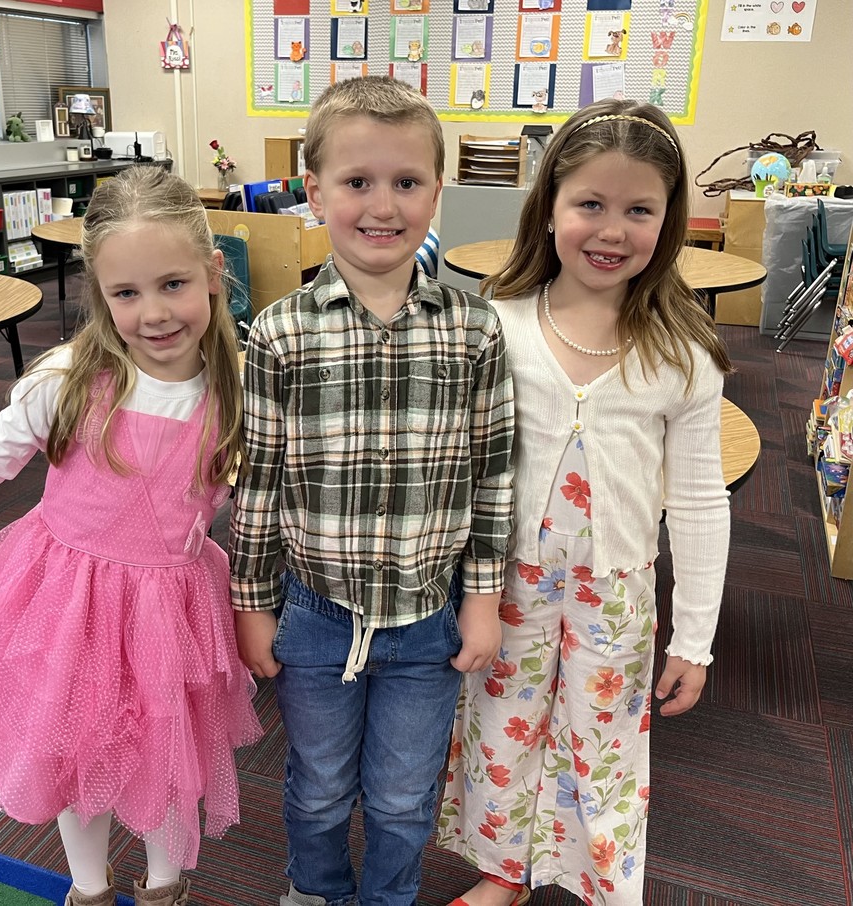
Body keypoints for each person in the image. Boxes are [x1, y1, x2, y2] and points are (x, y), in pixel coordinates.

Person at [0, 167, 262, 906]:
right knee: (69, 750)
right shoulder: (71, 380)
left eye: (173, 284)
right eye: (126, 293)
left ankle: (165, 884)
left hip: (169, 612)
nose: (154, 313)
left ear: (214, 274)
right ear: (99, 293)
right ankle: (86, 888)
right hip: (65, 604)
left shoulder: (233, 389)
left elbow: (253, 502)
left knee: (164, 752)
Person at [436, 98, 733, 906]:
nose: (612, 229)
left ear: (668, 220)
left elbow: (703, 502)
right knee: (501, 731)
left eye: (639, 209)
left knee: (599, 746)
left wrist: (696, 639)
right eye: (589, 205)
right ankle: (506, 873)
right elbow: (454, 469)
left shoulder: (684, 352)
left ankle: (599, 883)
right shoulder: (495, 326)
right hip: (507, 581)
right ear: (550, 208)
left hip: (618, 588)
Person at [229, 75, 516, 906]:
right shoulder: (280, 332)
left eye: (406, 182)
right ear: (314, 192)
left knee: (400, 796)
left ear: (438, 189)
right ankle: (314, 890)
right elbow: (259, 483)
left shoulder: (474, 327)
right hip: (315, 613)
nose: (382, 206)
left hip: (428, 616)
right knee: (316, 788)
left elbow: (492, 471)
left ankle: (388, 897)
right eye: (357, 183)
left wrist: (484, 598)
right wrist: (252, 604)